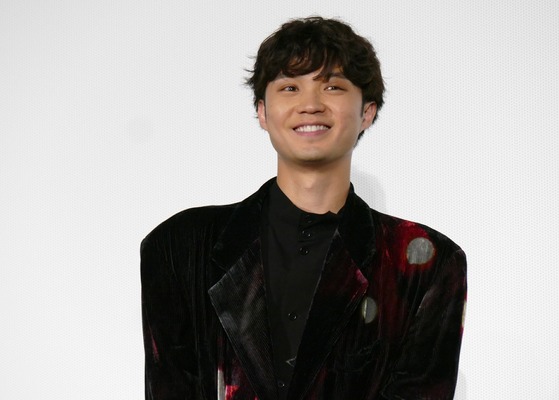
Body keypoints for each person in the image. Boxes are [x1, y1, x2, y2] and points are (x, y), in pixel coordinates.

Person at [141, 16, 467, 400]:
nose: (310, 105)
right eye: (290, 87)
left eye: (332, 86)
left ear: (367, 112)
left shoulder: (425, 262)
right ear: (262, 112)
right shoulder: (179, 246)